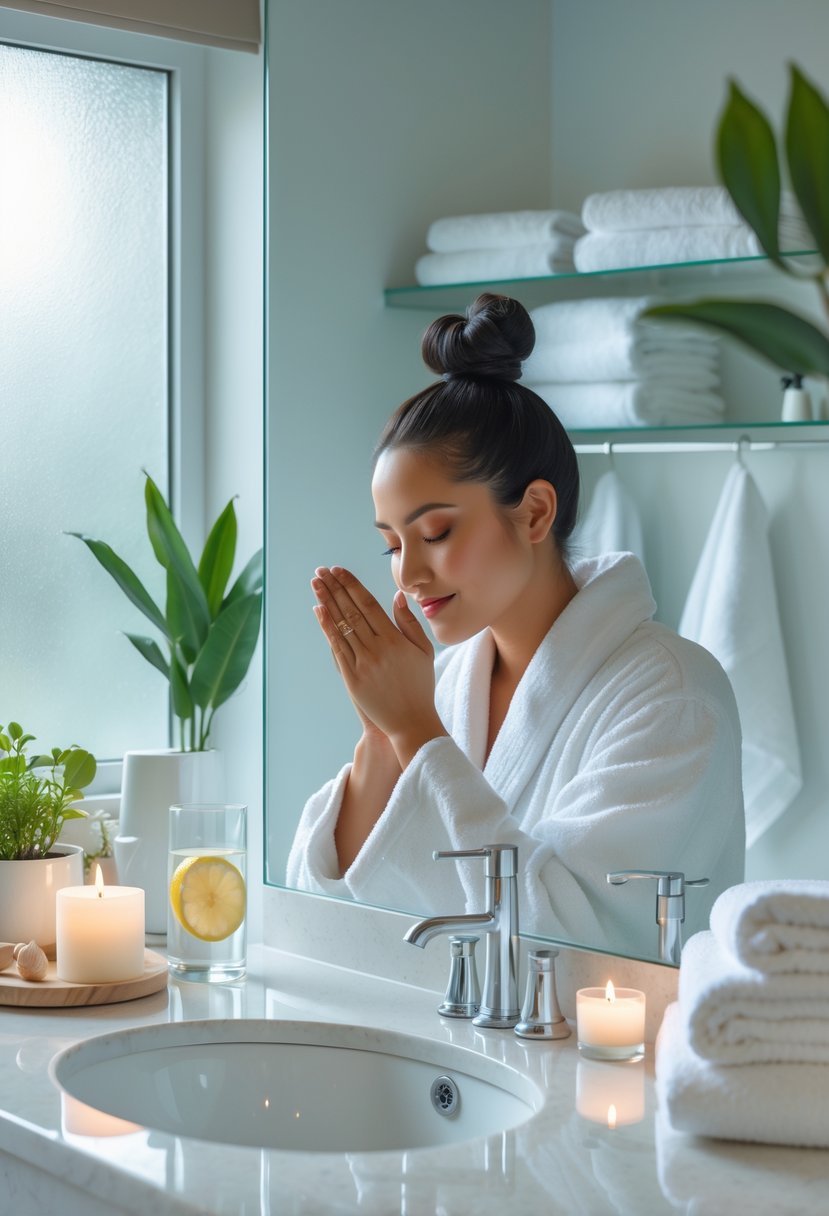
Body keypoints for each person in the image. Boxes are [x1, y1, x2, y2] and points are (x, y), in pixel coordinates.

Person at [286, 293, 745, 957]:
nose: (407, 574)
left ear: (533, 514)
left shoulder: (671, 695)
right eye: (391, 544)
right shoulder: (446, 682)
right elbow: (330, 912)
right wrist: (384, 738)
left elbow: (575, 946)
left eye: (436, 532)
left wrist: (416, 732)